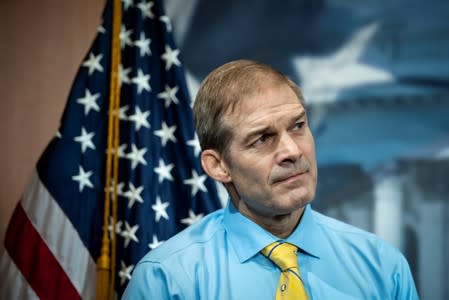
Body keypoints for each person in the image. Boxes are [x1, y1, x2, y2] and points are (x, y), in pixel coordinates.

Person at [122, 60, 419, 299]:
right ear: (218, 166)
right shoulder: (166, 279)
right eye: (262, 138)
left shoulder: (382, 266)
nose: (292, 151)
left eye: (298, 126)